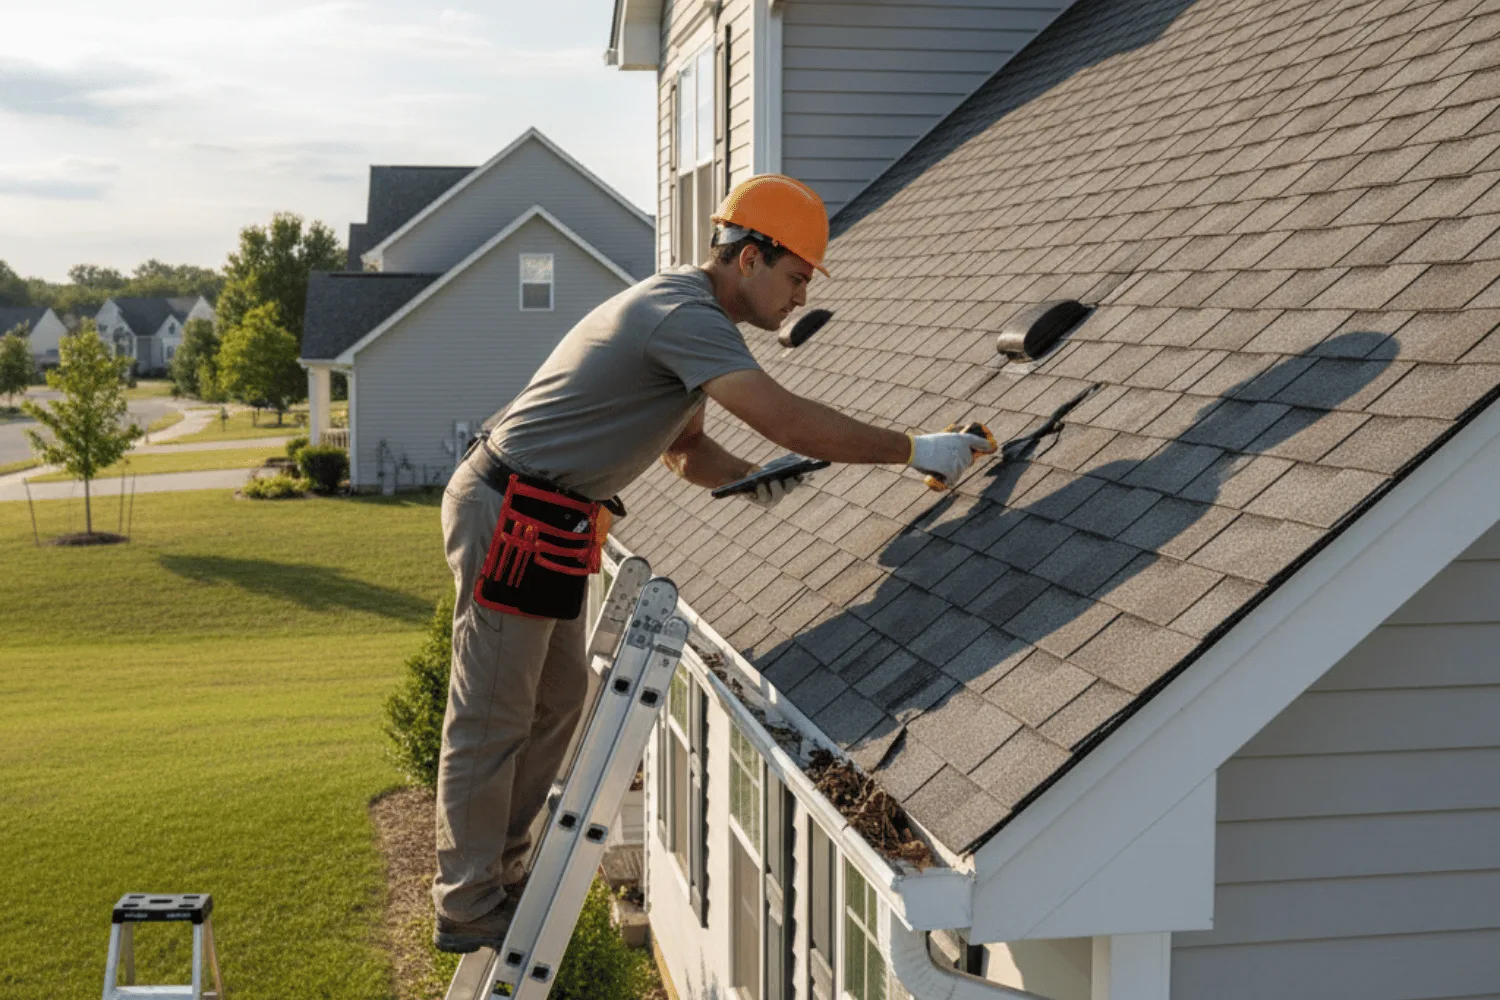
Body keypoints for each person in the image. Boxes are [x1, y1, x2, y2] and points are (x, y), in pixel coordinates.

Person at [432, 173, 995, 952]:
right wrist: (914, 449)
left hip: (552, 518)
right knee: (493, 710)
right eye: (796, 277)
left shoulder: (695, 319)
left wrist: (747, 480)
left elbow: (685, 449)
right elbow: (788, 418)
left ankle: (498, 870)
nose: (799, 297)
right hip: (509, 512)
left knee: (557, 699)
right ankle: (465, 903)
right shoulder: (684, 313)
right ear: (750, 258)